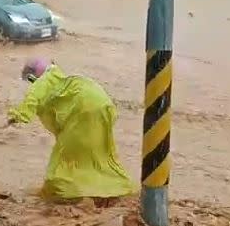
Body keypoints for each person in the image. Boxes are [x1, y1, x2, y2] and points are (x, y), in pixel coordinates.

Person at [7, 59, 136, 201]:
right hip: (104, 108)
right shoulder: (61, 79)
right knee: (100, 155)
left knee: (63, 162)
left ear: (33, 77)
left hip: (83, 112)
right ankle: (119, 188)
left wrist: (17, 116)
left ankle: (70, 195)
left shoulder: (44, 81)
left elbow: (32, 99)